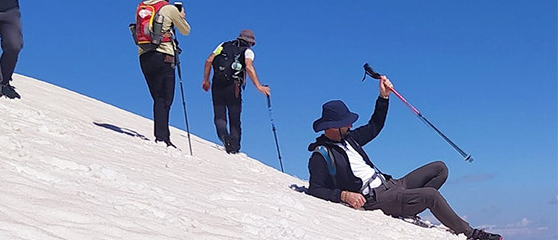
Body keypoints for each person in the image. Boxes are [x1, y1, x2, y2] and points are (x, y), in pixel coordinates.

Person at [306, 77, 502, 240]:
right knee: (431, 196)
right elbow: (315, 189)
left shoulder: (350, 139)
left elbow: (375, 126)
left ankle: (410, 205)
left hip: (392, 184)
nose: (350, 126)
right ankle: (470, 233)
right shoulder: (321, 155)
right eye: (346, 123)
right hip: (376, 198)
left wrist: (383, 97)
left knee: (440, 168)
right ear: (333, 126)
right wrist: (344, 195)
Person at [134, 0, 191, 147]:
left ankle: (162, 136)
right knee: (165, 99)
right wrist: (181, 16)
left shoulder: (142, 6)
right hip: (164, 55)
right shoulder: (169, 9)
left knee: (157, 97)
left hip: (144, 56)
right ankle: (162, 138)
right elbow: (186, 30)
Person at [202, 29, 270, 154]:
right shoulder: (248, 52)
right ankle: (234, 147)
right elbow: (249, 66)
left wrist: (206, 80)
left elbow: (209, 60)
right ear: (251, 42)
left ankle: (224, 138)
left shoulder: (223, 45)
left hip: (217, 83)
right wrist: (259, 86)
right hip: (234, 87)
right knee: (235, 118)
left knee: (219, 115)